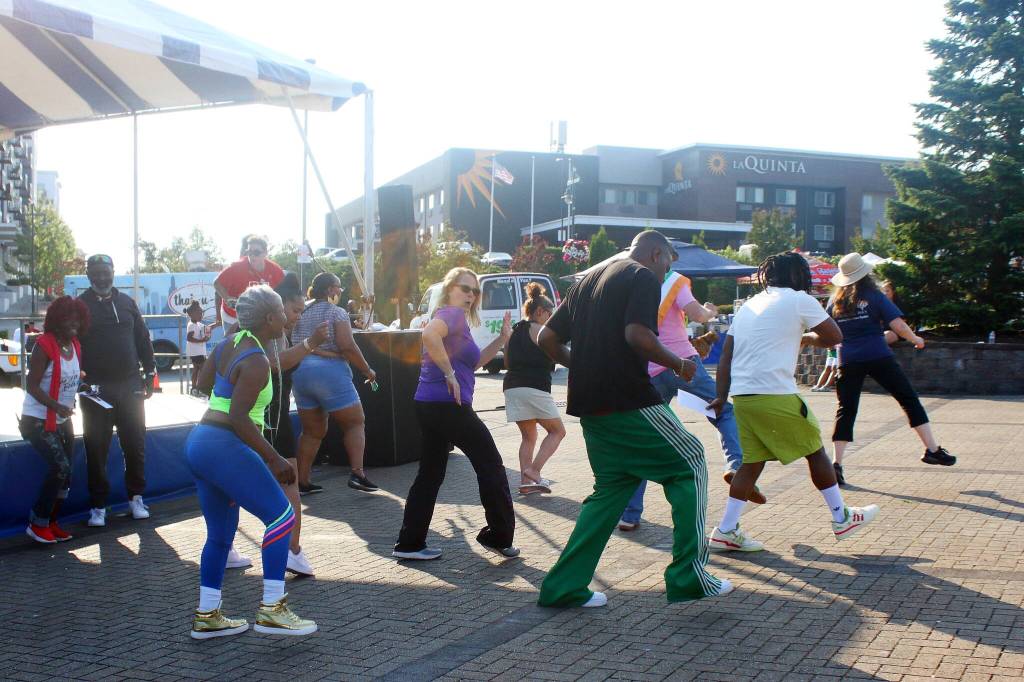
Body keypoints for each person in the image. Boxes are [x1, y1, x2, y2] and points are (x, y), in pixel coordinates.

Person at [535, 231, 730, 609]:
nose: (665, 274)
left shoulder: (589, 279)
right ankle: (689, 575)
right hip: (629, 398)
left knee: (612, 489)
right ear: (657, 253)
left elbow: (546, 338)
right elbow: (637, 334)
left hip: (590, 403)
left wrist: (585, 366)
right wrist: (679, 363)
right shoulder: (641, 275)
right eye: (668, 265)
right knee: (690, 462)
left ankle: (564, 586)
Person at [708, 251, 879, 553]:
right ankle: (842, 517)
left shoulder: (750, 305)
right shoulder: (799, 299)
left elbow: (725, 356)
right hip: (776, 393)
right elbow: (834, 335)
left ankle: (726, 529)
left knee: (750, 463)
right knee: (815, 451)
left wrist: (721, 396)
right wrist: (808, 338)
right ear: (799, 275)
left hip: (744, 396)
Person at [187, 285, 316, 639]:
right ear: (270, 318)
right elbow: (240, 418)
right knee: (281, 517)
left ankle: (207, 616)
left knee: (220, 534)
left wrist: (228, 385)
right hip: (224, 443)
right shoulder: (257, 360)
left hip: (201, 443)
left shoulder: (231, 342)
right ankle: (272, 608)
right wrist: (273, 459)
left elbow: (201, 383)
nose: (288, 319)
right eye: (283, 312)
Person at [617, 268, 763, 533]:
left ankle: (629, 514)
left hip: (650, 368)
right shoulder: (674, 280)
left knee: (645, 440)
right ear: (661, 256)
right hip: (683, 365)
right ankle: (737, 466)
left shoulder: (633, 284)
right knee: (724, 411)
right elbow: (697, 314)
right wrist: (710, 311)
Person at [393, 267, 517, 561]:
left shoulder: (458, 323)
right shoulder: (450, 315)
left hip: (429, 404)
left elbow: (473, 364)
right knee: (490, 464)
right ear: (450, 289)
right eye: (465, 288)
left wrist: (502, 338)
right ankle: (499, 536)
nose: (471, 295)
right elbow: (428, 335)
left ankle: (409, 543)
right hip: (448, 406)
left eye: (475, 291)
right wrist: (448, 374)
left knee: (430, 473)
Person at [828, 253, 956, 486]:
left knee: (846, 410)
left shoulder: (834, 302)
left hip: (848, 360)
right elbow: (897, 324)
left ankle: (836, 465)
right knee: (908, 399)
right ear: (866, 274)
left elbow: (828, 332)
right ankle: (932, 449)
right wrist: (915, 338)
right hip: (879, 356)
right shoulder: (874, 296)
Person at [78, 254, 156, 528]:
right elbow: (68, 342)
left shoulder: (127, 303)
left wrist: (150, 373)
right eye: (96, 273)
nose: (101, 277)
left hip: (130, 386)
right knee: (96, 448)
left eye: (106, 272)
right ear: (88, 274)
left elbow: (143, 339)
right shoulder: (79, 306)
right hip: (94, 389)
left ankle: (136, 498)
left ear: (113, 272)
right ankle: (98, 506)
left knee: (135, 445)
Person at [291, 272, 379, 494]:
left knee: (312, 431)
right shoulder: (336, 312)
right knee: (355, 422)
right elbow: (347, 345)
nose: (340, 291)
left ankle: (302, 480)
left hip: (300, 373)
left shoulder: (301, 313)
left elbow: (294, 342)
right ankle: (358, 473)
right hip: (329, 373)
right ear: (330, 289)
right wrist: (366, 369)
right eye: (338, 287)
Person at [21, 296, 89, 544]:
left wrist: (84, 386)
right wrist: (56, 406)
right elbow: (32, 385)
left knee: (67, 474)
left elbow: (69, 379)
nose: (74, 322)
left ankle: (51, 521)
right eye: (68, 318)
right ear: (56, 320)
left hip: (62, 418)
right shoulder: (44, 344)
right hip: (37, 420)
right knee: (60, 468)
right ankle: (37, 523)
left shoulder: (75, 345)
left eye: (78, 318)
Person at [503, 282, 564, 495]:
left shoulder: (515, 331)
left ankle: (526, 484)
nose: (551, 319)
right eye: (550, 314)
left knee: (529, 437)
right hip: (534, 387)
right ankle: (533, 471)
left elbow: (507, 363)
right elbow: (560, 354)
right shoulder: (539, 330)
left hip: (511, 387)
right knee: (557, 431)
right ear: (540, 311)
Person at [214, 235, 284, 332]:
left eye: (256, 252)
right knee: (235, 345)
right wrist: (227, 298)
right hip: (232, 316)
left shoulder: (275, 270)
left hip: (257, 317)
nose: (252, 256)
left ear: (265, 253)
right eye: (249, 252)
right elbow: (217, 283)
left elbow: (283, 292)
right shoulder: (237, 267)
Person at [185, 300, 211, 393]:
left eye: (202, 313)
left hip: (198, 352)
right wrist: (202, 340)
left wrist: (217, 324)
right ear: (192, 314)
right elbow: (189, 338)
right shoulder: (191, 325)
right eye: (199, 313)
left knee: (196, 370)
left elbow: (207, 328)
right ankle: (200, 388)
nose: (201, 315)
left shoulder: (198, 324)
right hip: (196, 352)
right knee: (203, 369)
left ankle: (194, 388)